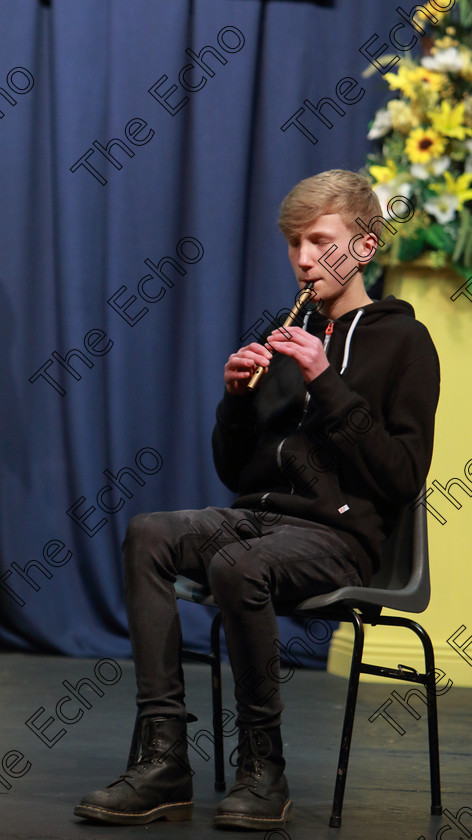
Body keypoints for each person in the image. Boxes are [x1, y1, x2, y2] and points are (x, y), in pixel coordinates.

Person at [74, 169, 440, 830]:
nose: (303, 258)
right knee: (150, 532)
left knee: (239, 568)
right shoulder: (288, 334)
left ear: (364, 246)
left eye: (320, 240)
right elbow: (236, 473)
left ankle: (262, 767)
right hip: (259, 521)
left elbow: (403, 476)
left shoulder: (405, 342)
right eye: (295, 243)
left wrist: (326, 381)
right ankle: (164, 759)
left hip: (341, 540)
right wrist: (236, 404)